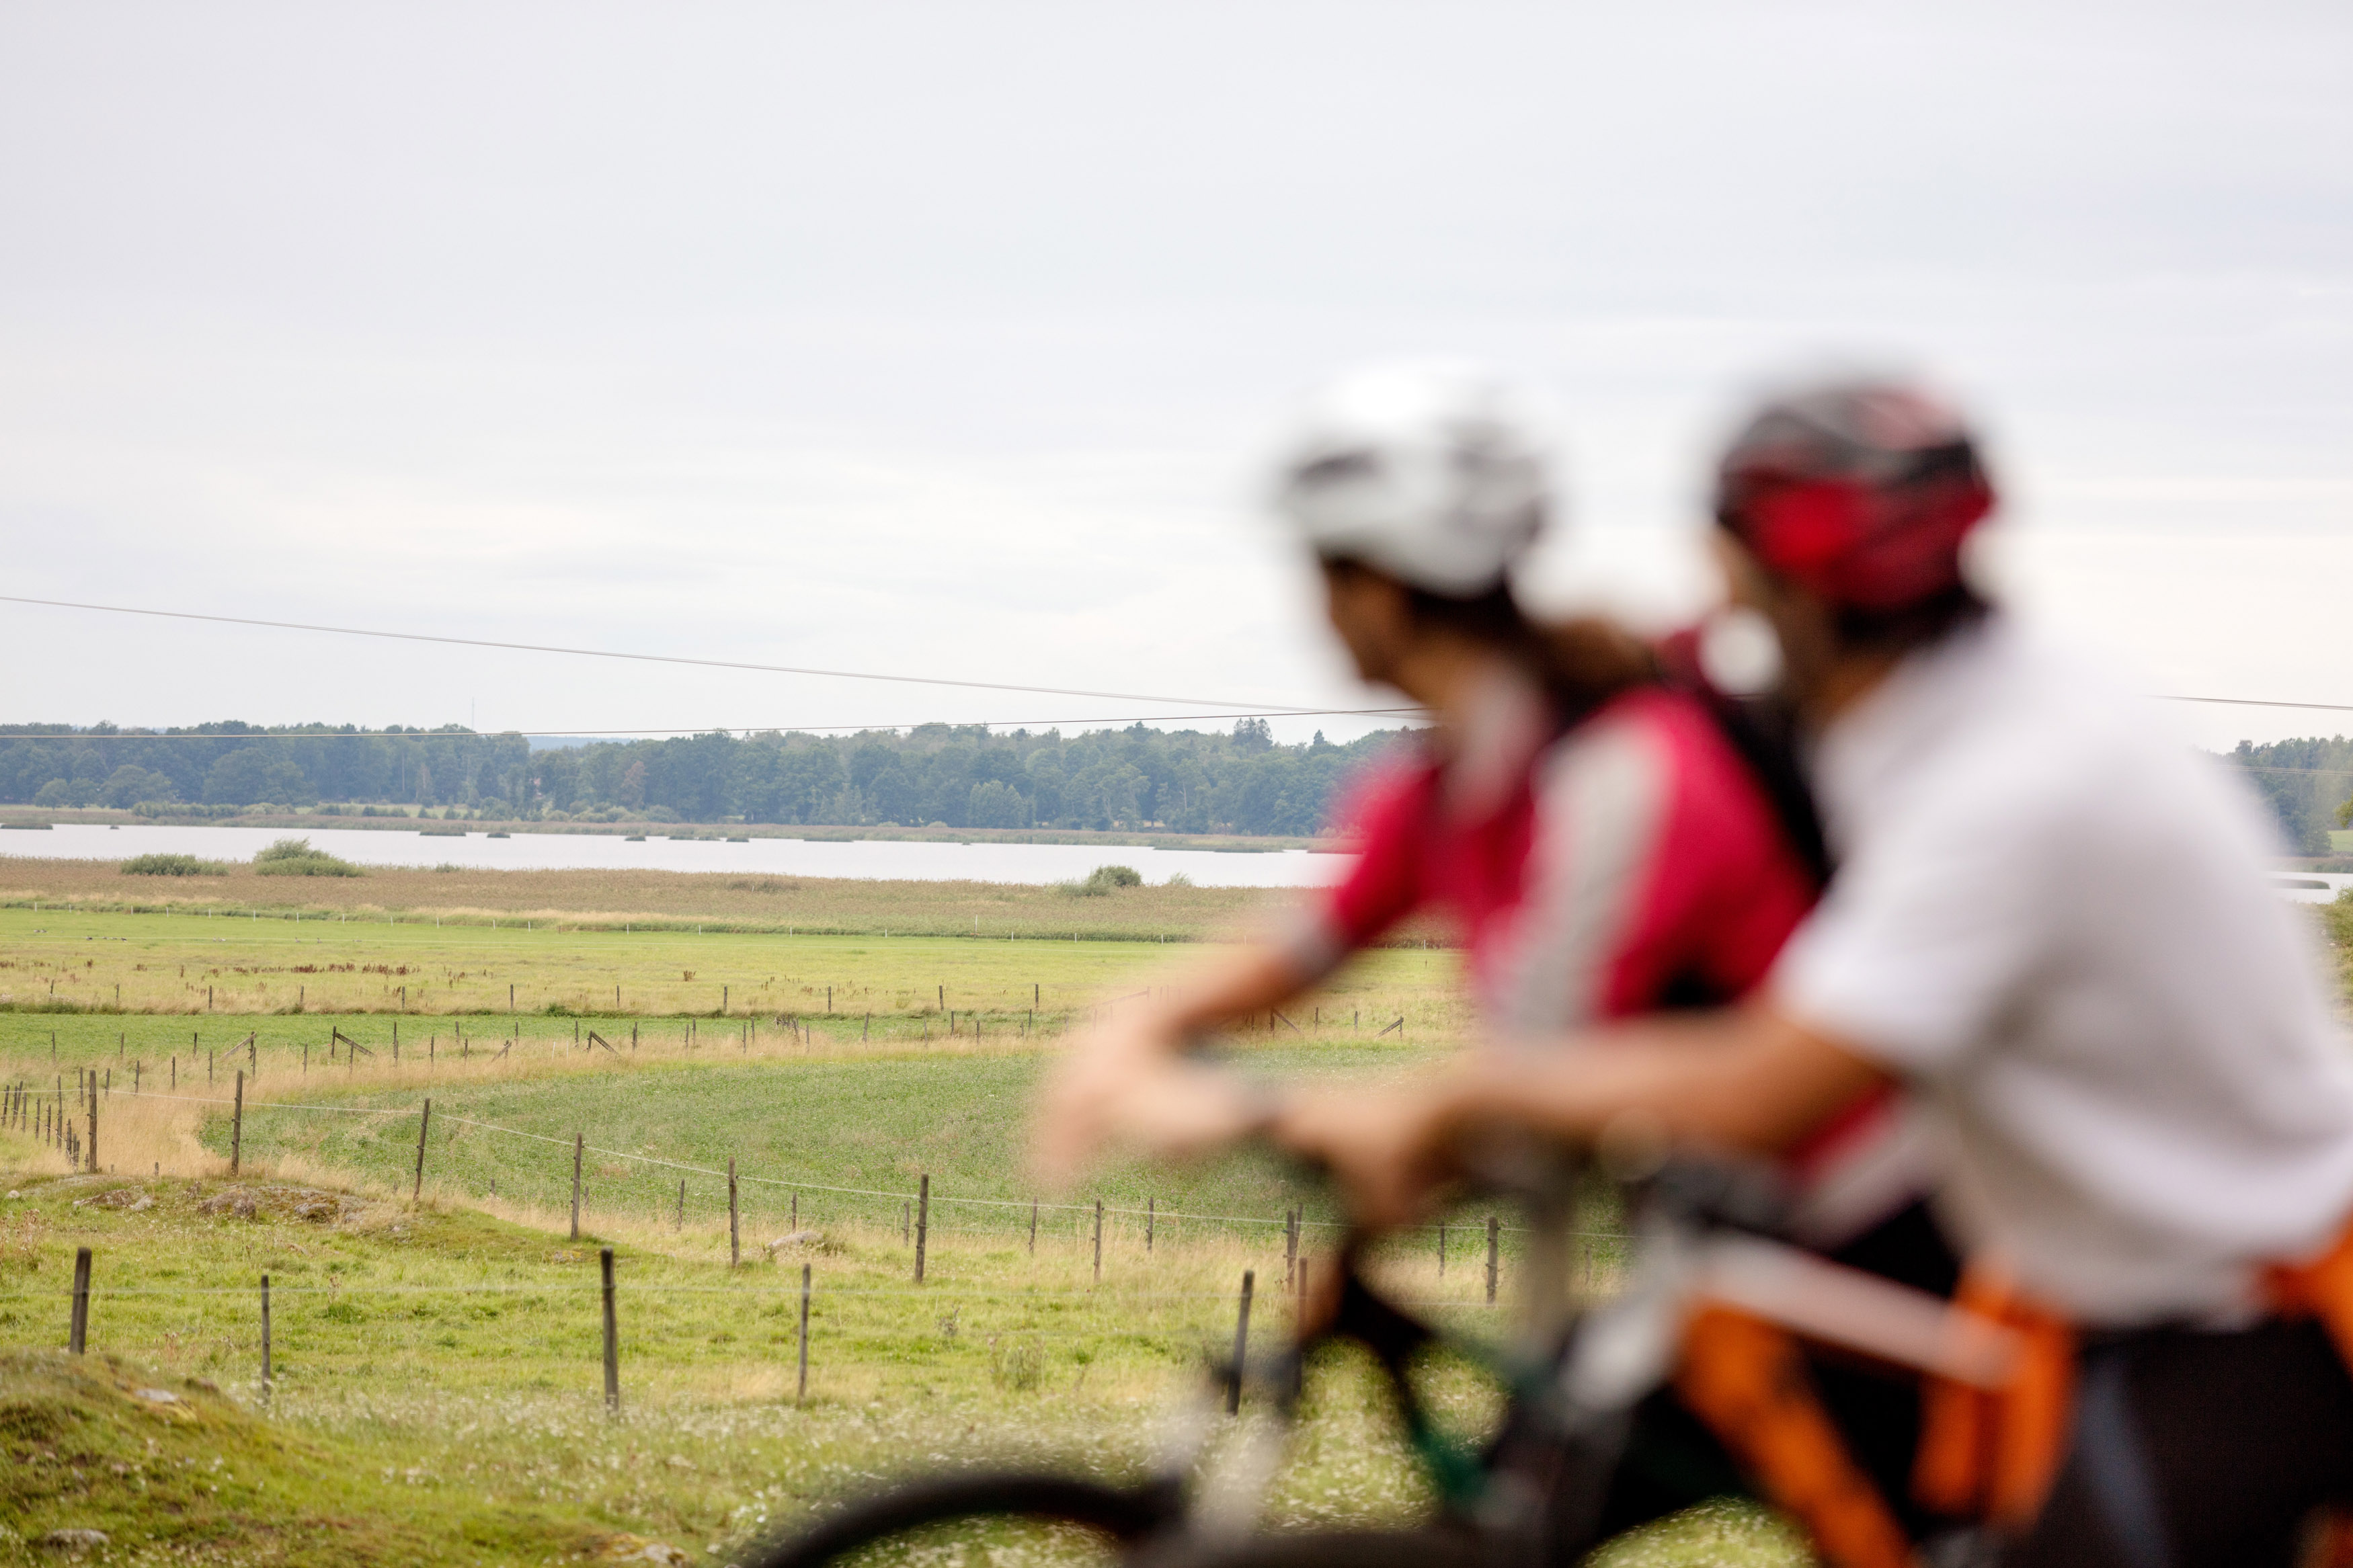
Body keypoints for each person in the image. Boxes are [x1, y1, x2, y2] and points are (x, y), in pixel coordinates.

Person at [1253, 377, 2353, 1567]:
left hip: (2244, 1320)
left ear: (1778, 584)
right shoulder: (1950, 708)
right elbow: (1671, 694)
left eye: (1735, 571)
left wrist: (1457, 1095)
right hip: (2108, 1306)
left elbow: (1764, 1087)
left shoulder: (2007, 785)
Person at [1033, 360, 1950, 1537]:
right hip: (1722, 1246)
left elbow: (1520, 1096)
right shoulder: (1449, 779)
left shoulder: (1625, 778)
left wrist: (1249, 1113)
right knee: (1511, 1517)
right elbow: (1299, 947)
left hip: (1864, 1251)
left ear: (1380, 589)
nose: (1315, 607)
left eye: (1325, 573)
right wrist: (1128, 1029)